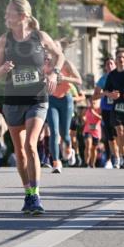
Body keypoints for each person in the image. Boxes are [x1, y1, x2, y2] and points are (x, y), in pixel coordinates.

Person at [0, 0, 64, 215]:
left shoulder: (40, 37)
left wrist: (54, 73)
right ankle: (28, 193)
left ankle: (36, 195)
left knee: (31, 145)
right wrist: (3, 69)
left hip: (37, 98)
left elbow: (59, 55)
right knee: (20, 152)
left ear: (22, 16)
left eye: (9, 13)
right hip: (13, 100)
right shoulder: (4, 40)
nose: (5, 17)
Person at [46, 44, 82, 173]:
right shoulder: (46, 63)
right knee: (54, 133)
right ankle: (56, 162)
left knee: (65, 134)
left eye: (55, 48)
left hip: (66, 100)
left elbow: (79, 81)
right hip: (51, 100)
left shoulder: (67, 64)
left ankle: (69, 149)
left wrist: (64, 78)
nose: (52, 51)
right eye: (51, 48)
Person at [93, 56, 118, 166]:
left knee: (120, 134)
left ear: (115, 65)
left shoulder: (120, 77)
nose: (110, 65)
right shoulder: (103, 79)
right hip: (107, 109)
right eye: (108, 64)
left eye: (112, 63)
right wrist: (106, 93)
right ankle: (115, 158)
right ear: (105, 67)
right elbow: (94, 96)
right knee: (110, 135)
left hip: (119, 109)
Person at [82, 95, 102, 168]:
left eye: (94, 103)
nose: (92, 104)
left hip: (96, 132)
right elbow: (83, 117)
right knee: (88, 145)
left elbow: (101, 118)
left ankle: (92, 163)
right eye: (91, 102)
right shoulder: (86, 110)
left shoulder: (99, 110)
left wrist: (94, 113)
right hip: (88, 130)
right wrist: (83, 119)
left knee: (94, 149)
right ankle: (86, 163)